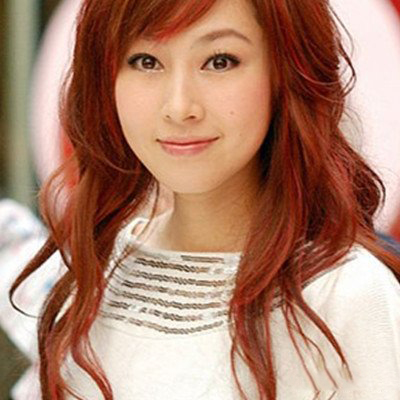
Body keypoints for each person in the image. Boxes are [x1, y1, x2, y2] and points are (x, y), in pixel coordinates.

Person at [9, 0, 400, 399]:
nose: (180, 108)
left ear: (284, 71)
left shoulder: (344, 295)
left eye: (219, 61)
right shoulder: (96, 276)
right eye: (146, 61)